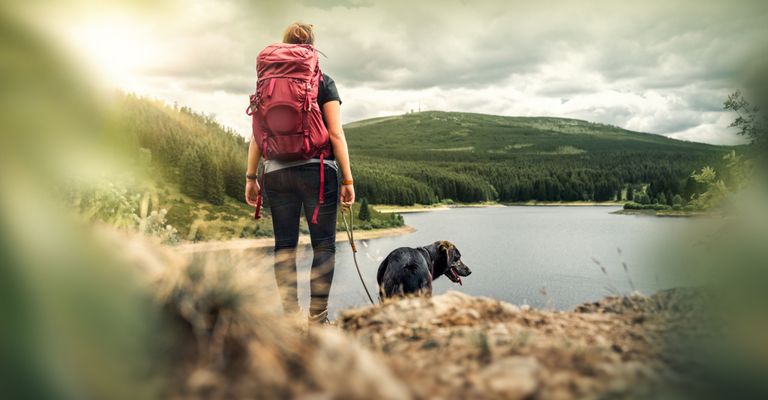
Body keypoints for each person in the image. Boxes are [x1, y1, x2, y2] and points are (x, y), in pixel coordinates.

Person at [245, 22, 355, 325]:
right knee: (324, 246)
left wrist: (250, 177)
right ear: (311, 48)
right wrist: (347, 179)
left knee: (284, 247)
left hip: (276, 174)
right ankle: (317, 320)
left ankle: (290, 320)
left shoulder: (266, 83)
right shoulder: (323, 82)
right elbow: (335, 134)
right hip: (318, 173)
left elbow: (256, 134)